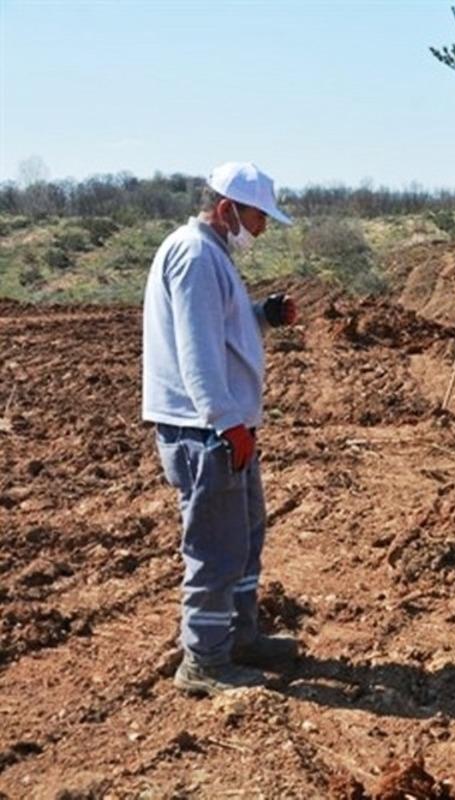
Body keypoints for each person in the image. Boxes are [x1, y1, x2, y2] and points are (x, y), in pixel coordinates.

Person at [142, 162, 301, 695]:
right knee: (215, 546)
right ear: (228, 208)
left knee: (246, 535)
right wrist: (225, 423)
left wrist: (263, 314)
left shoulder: (214, 253)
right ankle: (205, 661)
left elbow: (224, 325)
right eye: (258, 217)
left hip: (226, 428)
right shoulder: (193, 254)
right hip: (204, 430)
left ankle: (240, 638)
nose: (262, 228)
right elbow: (197, 351)